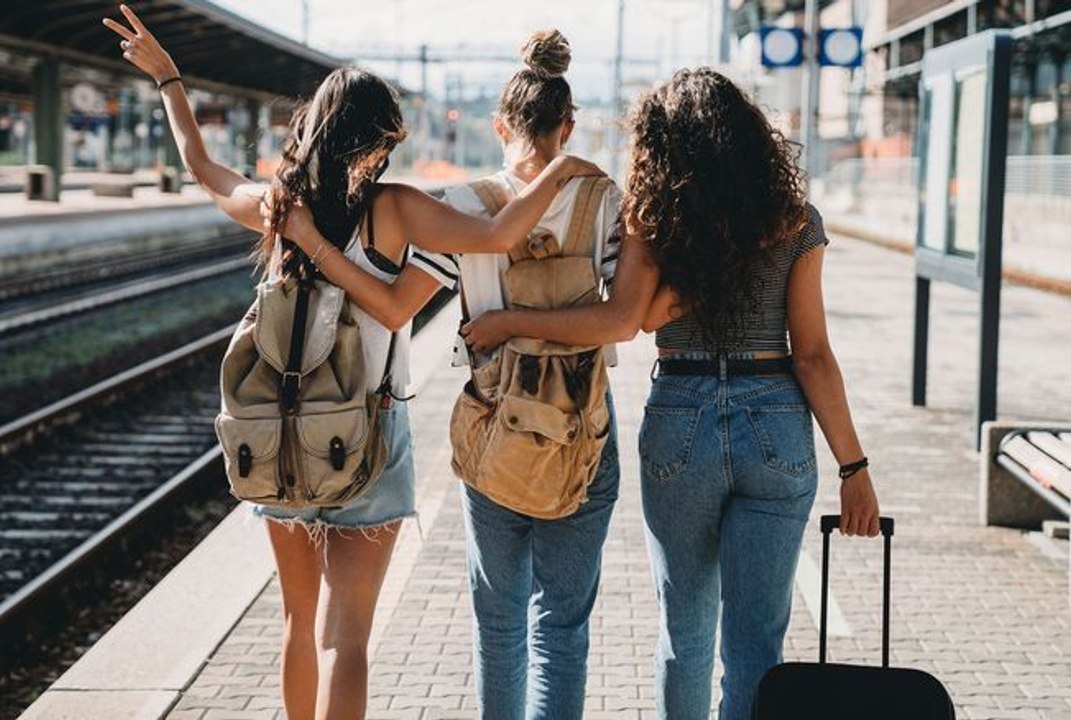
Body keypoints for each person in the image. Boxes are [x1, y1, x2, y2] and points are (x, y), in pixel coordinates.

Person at [103, 7, 602, 720]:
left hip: (279, 436)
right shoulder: (395, 211)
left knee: (297, 623)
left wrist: (170, 80)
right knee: (349, 637)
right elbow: (496, 233)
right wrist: (560, 172)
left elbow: (203, 167)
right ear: (375, 144)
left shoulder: (277, 207)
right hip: (369, 432)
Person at [462, 67, 882, 720]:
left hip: (679, 415)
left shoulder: (657, 218)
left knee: (684, 633)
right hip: (773, 416)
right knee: (755, 642)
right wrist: (852, 466)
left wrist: (697, 256)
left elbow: (643, 319)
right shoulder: (793, 220)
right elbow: (812, 355)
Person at [274, 29, 623, 720]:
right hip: (583, 425)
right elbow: (624, 316)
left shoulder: (465, 204)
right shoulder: (605, 199)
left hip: (493, 424)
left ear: (500, 125)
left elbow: (403, 299)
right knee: (562, 626)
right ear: (569, 124)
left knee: (498, 625)